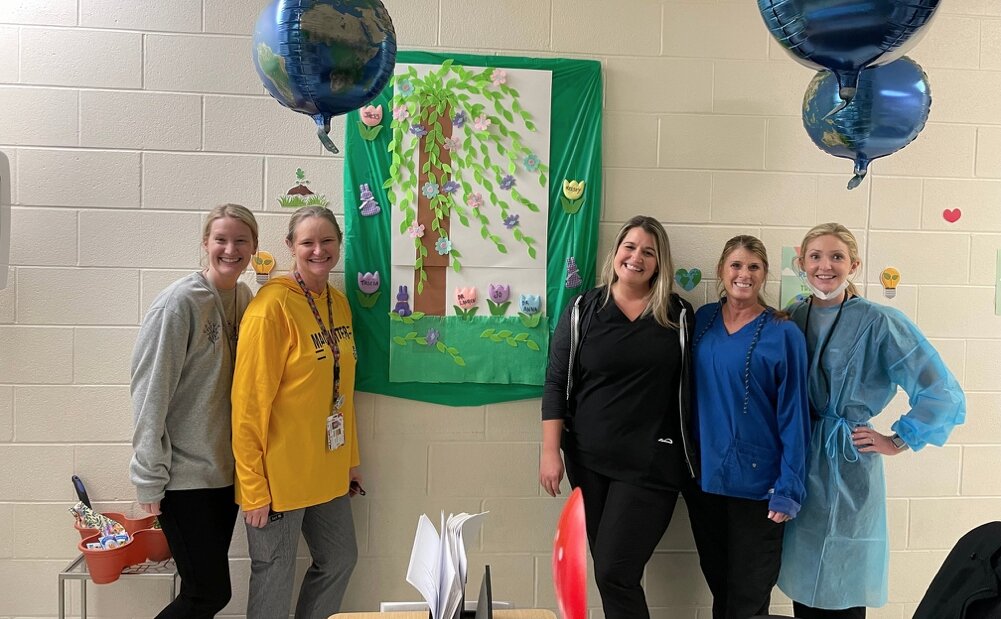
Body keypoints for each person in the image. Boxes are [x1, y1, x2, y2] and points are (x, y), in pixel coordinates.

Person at [777, 223, 966, 618]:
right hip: (801, 456)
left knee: (844, 582)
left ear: (854, 264)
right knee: (803, 582)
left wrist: (896, 440)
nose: (825, 266)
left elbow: (940, 390)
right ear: (801, 263)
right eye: (815, 257)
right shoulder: (794, 316)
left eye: (836, 257)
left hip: (847, 462)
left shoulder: (879, 322)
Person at [539, 215, 697, 619]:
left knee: (614, 572)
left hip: (652, 466)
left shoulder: (677, 315)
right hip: (588, 463)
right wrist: (550, 452)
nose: (636, 257)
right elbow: (556, 381)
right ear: (616, 252)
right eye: (630, 247)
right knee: (610, 573)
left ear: (660, 262)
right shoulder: (582, 309)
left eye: (648, 251)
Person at [231, 206, 362, 619]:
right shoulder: (271, 309)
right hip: (278, 479)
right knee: (274, 577)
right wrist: (253, 487)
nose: (318, 250)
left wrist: (351, 460)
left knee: (340, 559)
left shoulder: (338, 303)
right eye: (307, 242)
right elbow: (248, 405)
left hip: (328, 470)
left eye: (327, 241)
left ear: (339, 245)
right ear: (291, 247)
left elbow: (342, 391)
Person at [130, 203, 258, 618]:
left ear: (254, 246)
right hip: (183, 479)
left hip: (224, 475)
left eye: (241, 240)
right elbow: (150, 393)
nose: (230, 249)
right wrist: (149, 479)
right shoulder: (179, 303)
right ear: (206, 243)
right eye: (221, 239)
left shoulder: (244, 296)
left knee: (199, 591)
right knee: (208, 594)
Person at [687, 235, 810, 619]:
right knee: (721, 589)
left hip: (760, 488)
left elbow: (795, 414)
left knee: (748, 597)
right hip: (705, 481)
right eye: (736, 266)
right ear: (721, 271)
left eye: (754, 267)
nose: (744, 274)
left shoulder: (783, 331)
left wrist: (789, 487)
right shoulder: (702, 320)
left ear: (764, 274)